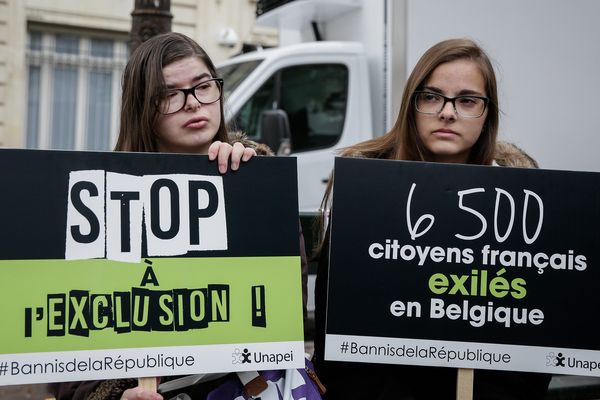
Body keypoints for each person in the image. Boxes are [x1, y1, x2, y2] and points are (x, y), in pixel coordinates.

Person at [50, 32, 309, 400]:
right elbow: (65, 342)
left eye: (203, 86)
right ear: (143, 108)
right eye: (169, 94)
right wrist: (113, 397)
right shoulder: (101, 200)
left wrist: (249, 190)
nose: (193, 103)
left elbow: (285, 312)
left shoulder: (256, 180)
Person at [313, 38, 551, 399]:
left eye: (467, 100)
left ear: (488, 112)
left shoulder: (520, 205)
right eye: (432, 97)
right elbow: (336, 336)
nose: (447, 112)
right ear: (413, 104)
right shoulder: (363, 189)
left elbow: (532, 343)